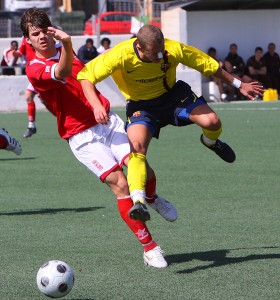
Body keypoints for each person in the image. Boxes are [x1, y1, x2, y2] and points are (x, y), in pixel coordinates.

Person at [20, 8, 178, 269]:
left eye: (44, 32)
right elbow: (62, 72)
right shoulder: (35, 68)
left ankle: (151, 197)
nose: (41, 38)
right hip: (80, 135)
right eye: (35, 34)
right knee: (120, 184)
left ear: (51, 30)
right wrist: (68, 44)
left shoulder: (68, 50)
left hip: (106, 121)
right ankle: (150, 248)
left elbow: (90, 77)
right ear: (28, 39)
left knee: (142, 168)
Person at [77, 25, 264, 223]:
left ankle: (211, 142)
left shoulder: (171, 49)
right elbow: (85, 76)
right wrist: (96, 105)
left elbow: (207, 64)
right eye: (153, 53)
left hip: (174, 97)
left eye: (161, 51)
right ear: (139, 47)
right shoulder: (119, 54)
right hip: (142, 106)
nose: (159, 57)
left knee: (212, 122)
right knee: (137, 148)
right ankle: (139, 201)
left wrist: (238, 84)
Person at [13, 37, 39, 138]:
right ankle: (31, 126)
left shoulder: (39, 35)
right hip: (34, 73)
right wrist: (15, 53)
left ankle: (67, 119)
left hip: (42, 69)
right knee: (28, 96)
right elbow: (21, 52)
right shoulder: (25, 38)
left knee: (51, 102)